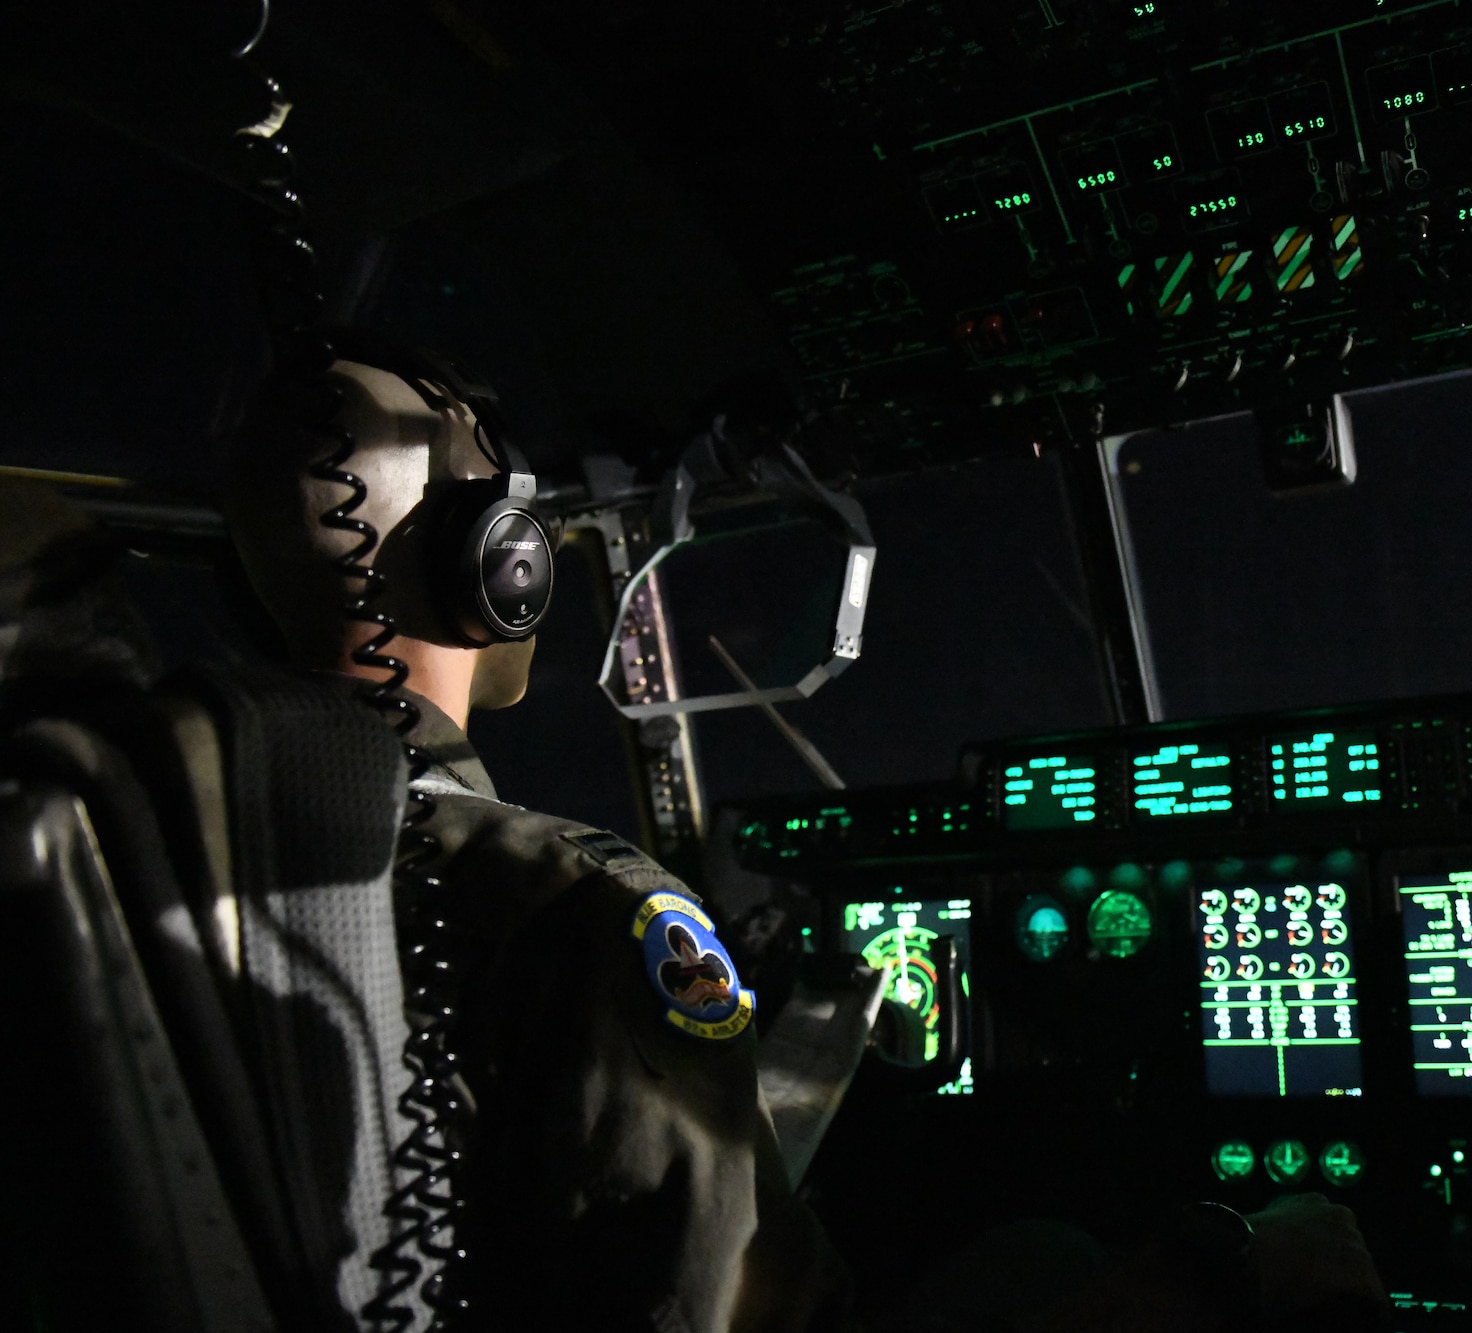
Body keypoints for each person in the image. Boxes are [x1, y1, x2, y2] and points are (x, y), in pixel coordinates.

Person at [227, 341, 1387, 1333]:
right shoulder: (566, 904)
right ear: (502, 560)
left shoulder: (209, 853)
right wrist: (1226, 1263)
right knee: (1045, 1254)